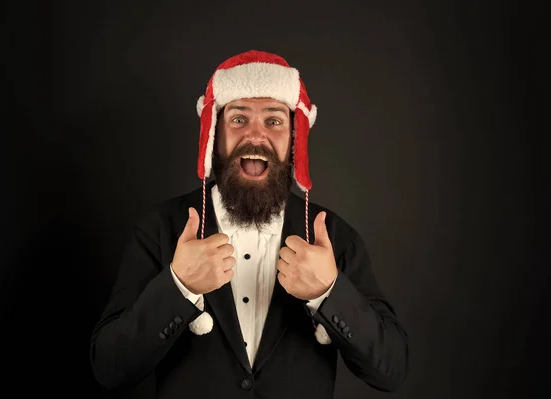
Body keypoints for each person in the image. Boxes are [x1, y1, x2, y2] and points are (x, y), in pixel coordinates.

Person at [89, 50, 409, 398]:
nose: (255, 136)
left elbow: (391, 369)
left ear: (294, 140)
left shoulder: (332, 237)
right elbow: (109, 368)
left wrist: (329, 292)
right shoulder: (160, 228)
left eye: (273, 121)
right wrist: (178, 286)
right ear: (215, 135)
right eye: (238, 120)